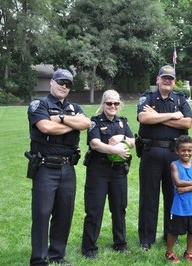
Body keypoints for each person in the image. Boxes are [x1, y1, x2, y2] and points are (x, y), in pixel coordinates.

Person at [27, 69, 91, 266]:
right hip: (46, 166)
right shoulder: (39, 104)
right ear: (52, 82)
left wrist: (61, 119)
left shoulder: (74, 106)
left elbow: (87, 123)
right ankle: (39, 259)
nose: (64, 86)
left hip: (67, 167)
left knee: (64, 213)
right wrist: (74, 124)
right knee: (42, 213)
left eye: (69, 84)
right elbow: (46, 127)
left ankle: (57, 255)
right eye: (61, 82)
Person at [137, 65, 192, 251]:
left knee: (173, 195)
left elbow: (187, 122)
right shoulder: (148, 97)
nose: (167, 81)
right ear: (158, 79)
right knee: (148, 197)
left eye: (170, 78)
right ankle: (146, 238)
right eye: (164, 77)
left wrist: (158, 116)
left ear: (174, 81)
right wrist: (172, 116)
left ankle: (171, 234)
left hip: (172, 154)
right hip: (151, 153)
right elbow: (144, 118)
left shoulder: (180, 99)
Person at [81, 90, 135, 259]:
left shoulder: (122, 123)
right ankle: (89, 248)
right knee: (94, 210)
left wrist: (121, 138)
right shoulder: (95, 122)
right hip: (99, 171)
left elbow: (133, 142)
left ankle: (120, 244)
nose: (113, 106)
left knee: (119, 208)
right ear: (103, 104)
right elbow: (95, 144)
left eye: (116, 103)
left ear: (120, 105)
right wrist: (114, 149)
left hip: (118, 172)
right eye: (109, 103)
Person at [165, 135, 192, 265]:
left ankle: (189, 253)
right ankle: (169, 252)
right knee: (174, 231)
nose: (186, 153)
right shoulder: (174, 165)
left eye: (189, 150)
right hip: (179, 207)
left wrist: (185, 189)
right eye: (183, 150)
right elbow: (177, 182)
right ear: (177, 151)